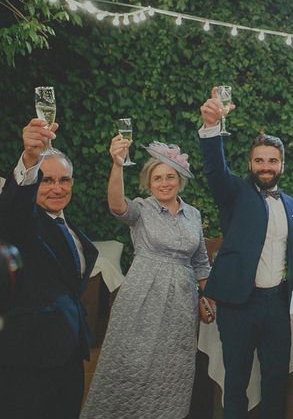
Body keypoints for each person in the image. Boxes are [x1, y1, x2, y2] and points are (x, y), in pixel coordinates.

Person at [198, 89, 293, 419]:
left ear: (282, 165)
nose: (266, 166)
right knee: (236, 381)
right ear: (250, 164)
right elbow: (215, 170)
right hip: (238, 305)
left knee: (276, 379)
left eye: (272, 161)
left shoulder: (289, 203)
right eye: (259, 160)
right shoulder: (234, 193)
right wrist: (210, 129)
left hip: (276, 303)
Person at [81, 137, 211, 418]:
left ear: (180, 181)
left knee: (172, 366)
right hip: (142, 296)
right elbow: (117, 205)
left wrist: (208, 297)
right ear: (148, 183)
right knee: (133, 363)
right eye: (157, 178)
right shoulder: (142, 209)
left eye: (170, 177)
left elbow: (200, 261)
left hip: (181, 301)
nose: (164, 183)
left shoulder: (194, 215)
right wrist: (117, 165)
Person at [0, 118, 98, 419]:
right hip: (29, 360)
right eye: (47, 180)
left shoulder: (72, 229)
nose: (57, 188)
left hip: (68, 357)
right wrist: (30, 160)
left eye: (64, 180)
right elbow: (12, 214)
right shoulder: (25, 224)